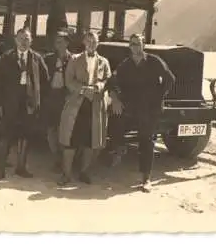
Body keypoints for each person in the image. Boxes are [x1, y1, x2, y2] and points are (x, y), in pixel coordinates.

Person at [108, 33, 176, 192]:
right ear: (129, 47)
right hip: (131, 109)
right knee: (114, 122)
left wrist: (158, 96)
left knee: (147, 142)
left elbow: (170, 79)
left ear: (143, 45)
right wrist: (115, 98)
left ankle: (146, 179)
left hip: (150, 110)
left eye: (138, 44)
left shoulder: (154, 61)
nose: (135, 47)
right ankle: (119, 148)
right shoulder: (126, 65)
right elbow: (112, 81)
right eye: (132, 44)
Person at [0, 28, 50, 181]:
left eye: (27, 39)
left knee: (25, 136)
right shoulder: (6, 58)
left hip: (29, 105)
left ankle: (21, 167)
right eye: (21, 38)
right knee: (5, 136)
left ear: (31, 41)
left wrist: (39, 101)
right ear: (15, 40)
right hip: (10, 104)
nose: (23, 42)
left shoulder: (37, 59)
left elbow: (46, 82)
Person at [58, 31, 112, 186]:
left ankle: (84, 172)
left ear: (98, 43)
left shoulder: (104, 62)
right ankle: (66, 174)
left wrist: (99, 86)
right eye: (88, 41)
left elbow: (107, 79)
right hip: (76, 105)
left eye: (94, 41)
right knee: (70, 141)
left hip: (94, 106)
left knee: (91, 141)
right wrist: (82, 89)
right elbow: (68, 80)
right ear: (83, 42)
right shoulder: (75, 60)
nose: (91, 44)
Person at [42, 28, 73, 173]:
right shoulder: (48, 58)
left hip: (65, 98)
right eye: (56, 42)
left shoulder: (73, 59)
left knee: (63, 130)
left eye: (61, 42)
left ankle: (63, 160)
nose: (58, 44)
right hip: (51, 97)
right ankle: (56, 158)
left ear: (67, 43)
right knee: (50, 130)